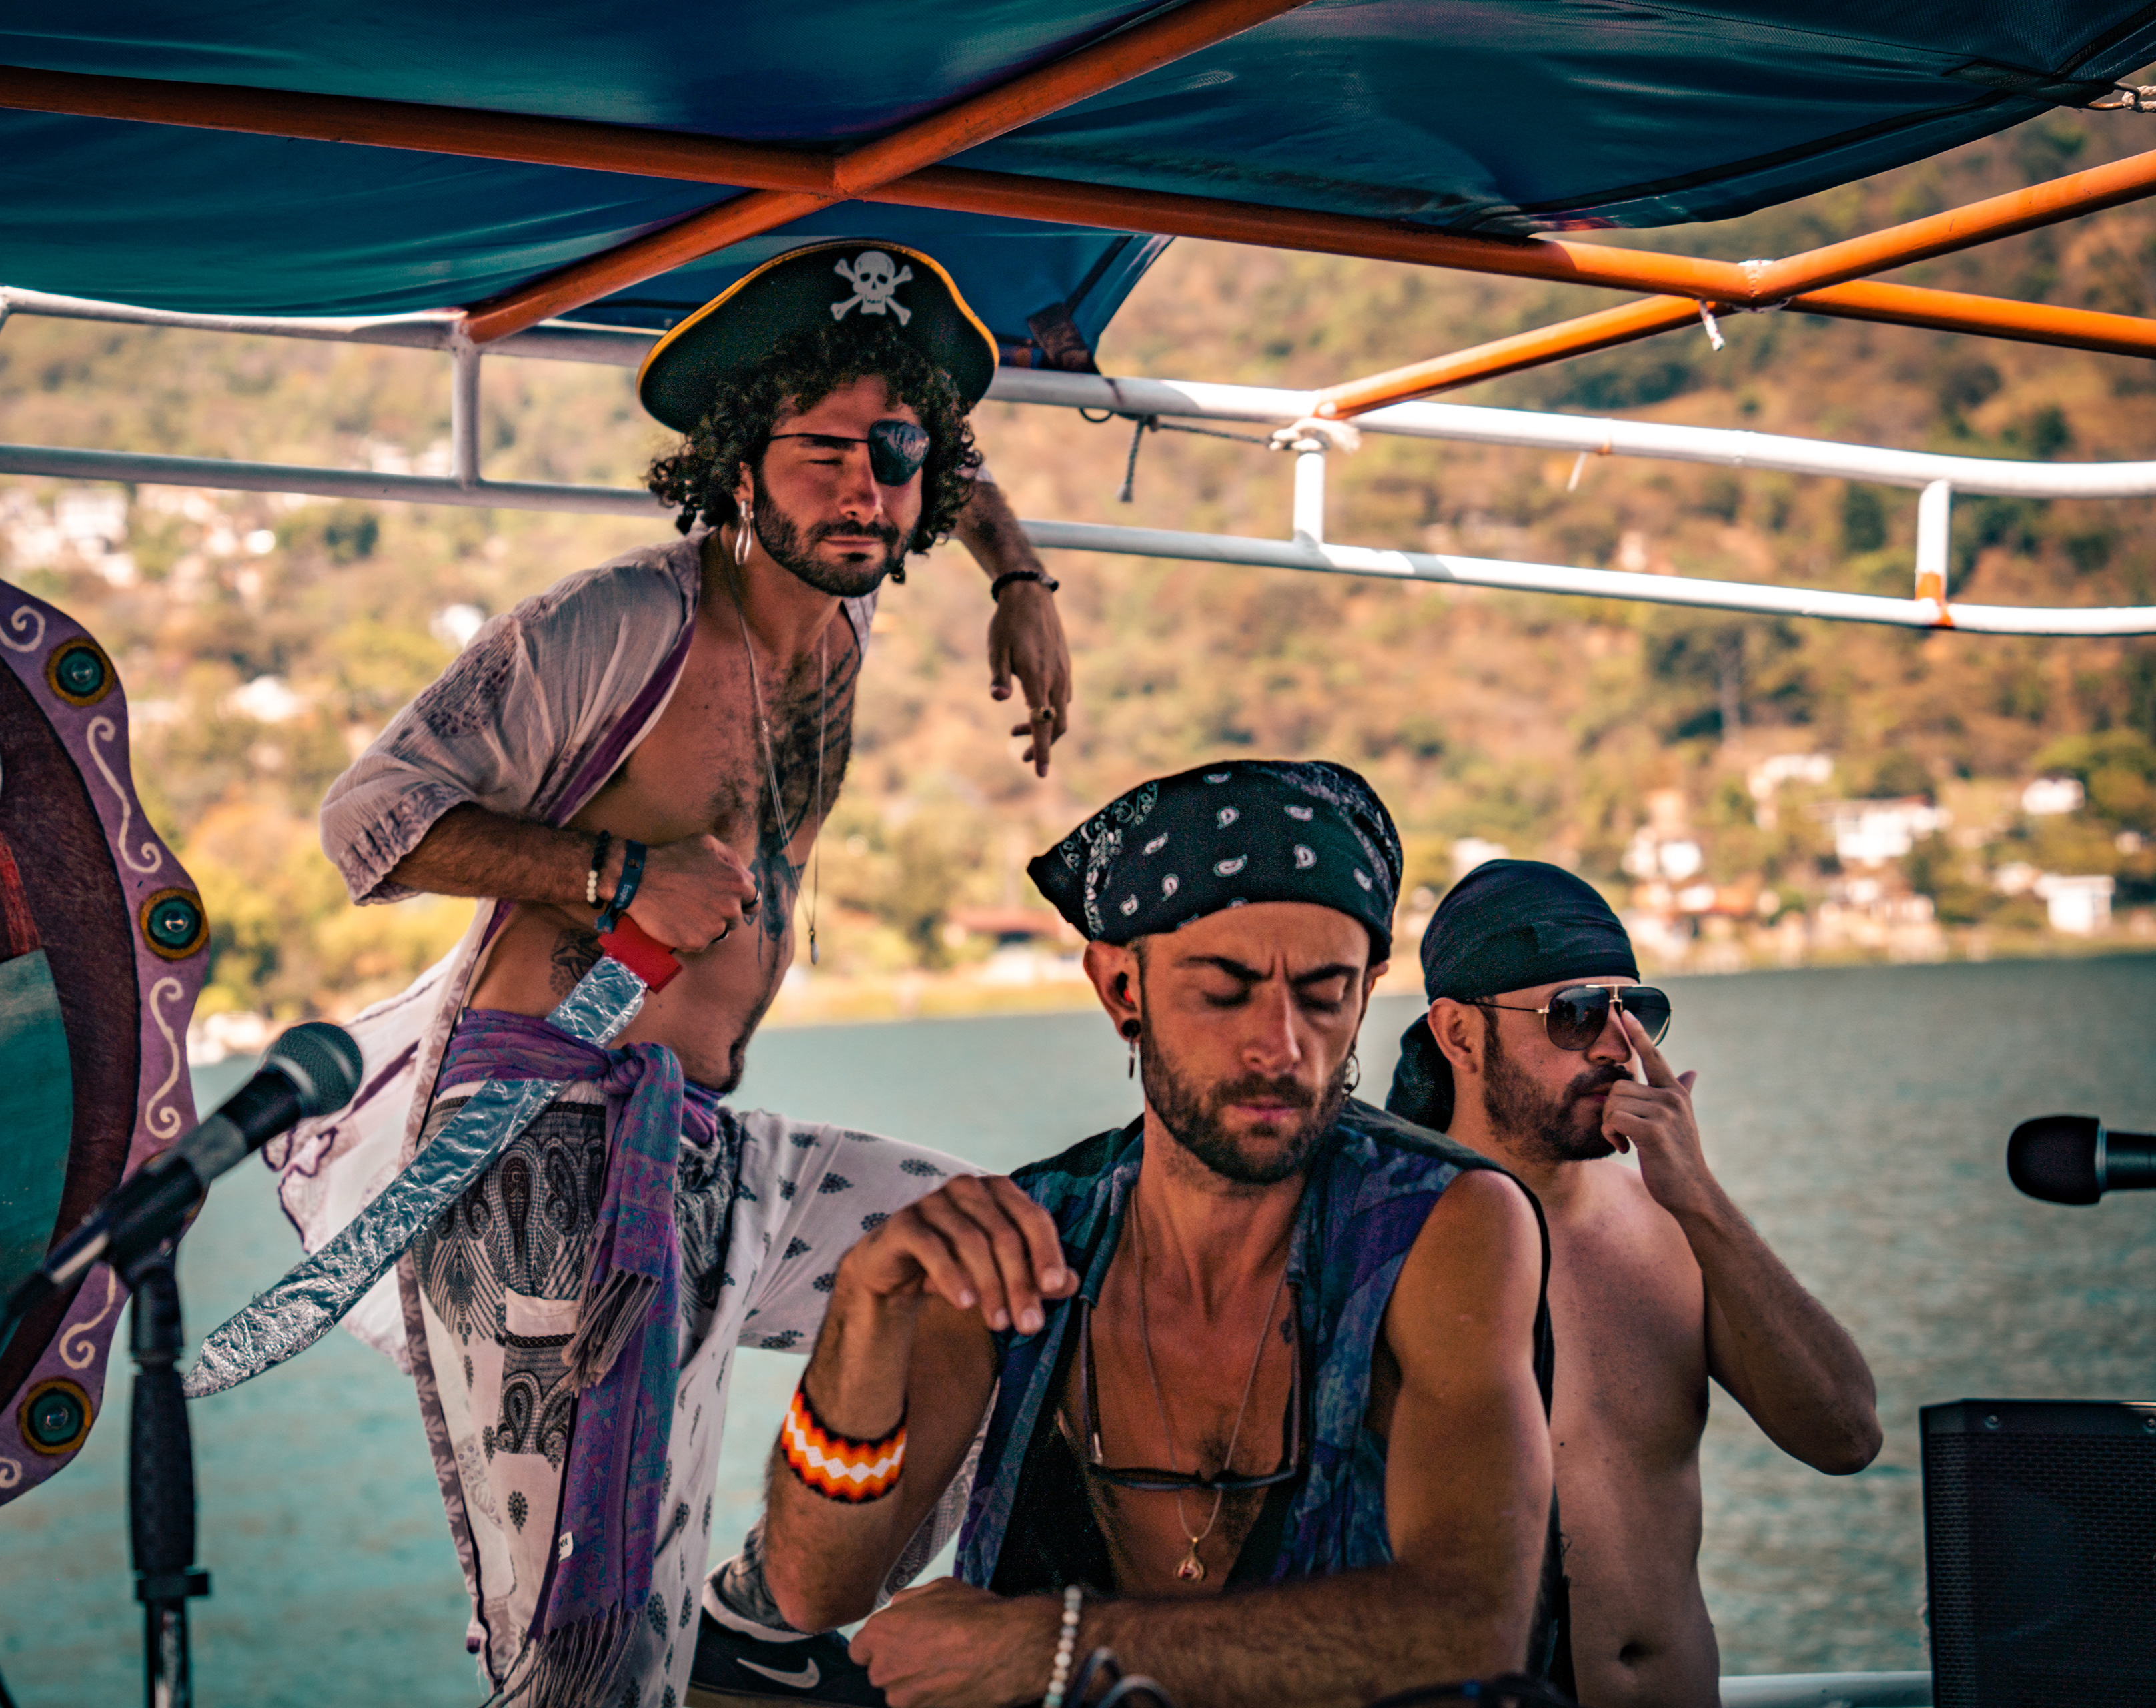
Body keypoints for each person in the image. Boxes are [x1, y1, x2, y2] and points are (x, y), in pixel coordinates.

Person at [259, 240, 1073, 1708]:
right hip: (532, 1158)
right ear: (741, 465)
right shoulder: (620, 626)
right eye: (819, 451)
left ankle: (769, 1609)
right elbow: (365, 821)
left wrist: (1020, 576)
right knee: (582, 1663)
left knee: (1009, 1276)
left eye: (892, 456)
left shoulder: (846, 603)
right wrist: (613, 872)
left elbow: (952, 457)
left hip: (698, 1134)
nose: (861, 486)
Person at [747, 762, 1562, 1708]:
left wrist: (1054, 1648)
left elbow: (1475, 1626)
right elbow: (816, 1586)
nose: (1284, 1045)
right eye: (1227, 991)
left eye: (1326, 993)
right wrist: (864, 1310)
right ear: (1121, 989)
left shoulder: (1442, 1222)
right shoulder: (1035, 1237)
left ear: (1371, 987)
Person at [1386, 860, 1882, 1708]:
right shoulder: (1387, 1242)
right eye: (1575, 1015)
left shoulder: (1672, 1221)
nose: (1619, 1046)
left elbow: (1845, 1437)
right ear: (1459, 1035)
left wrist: (1702, 1202)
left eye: (1636, 1009)